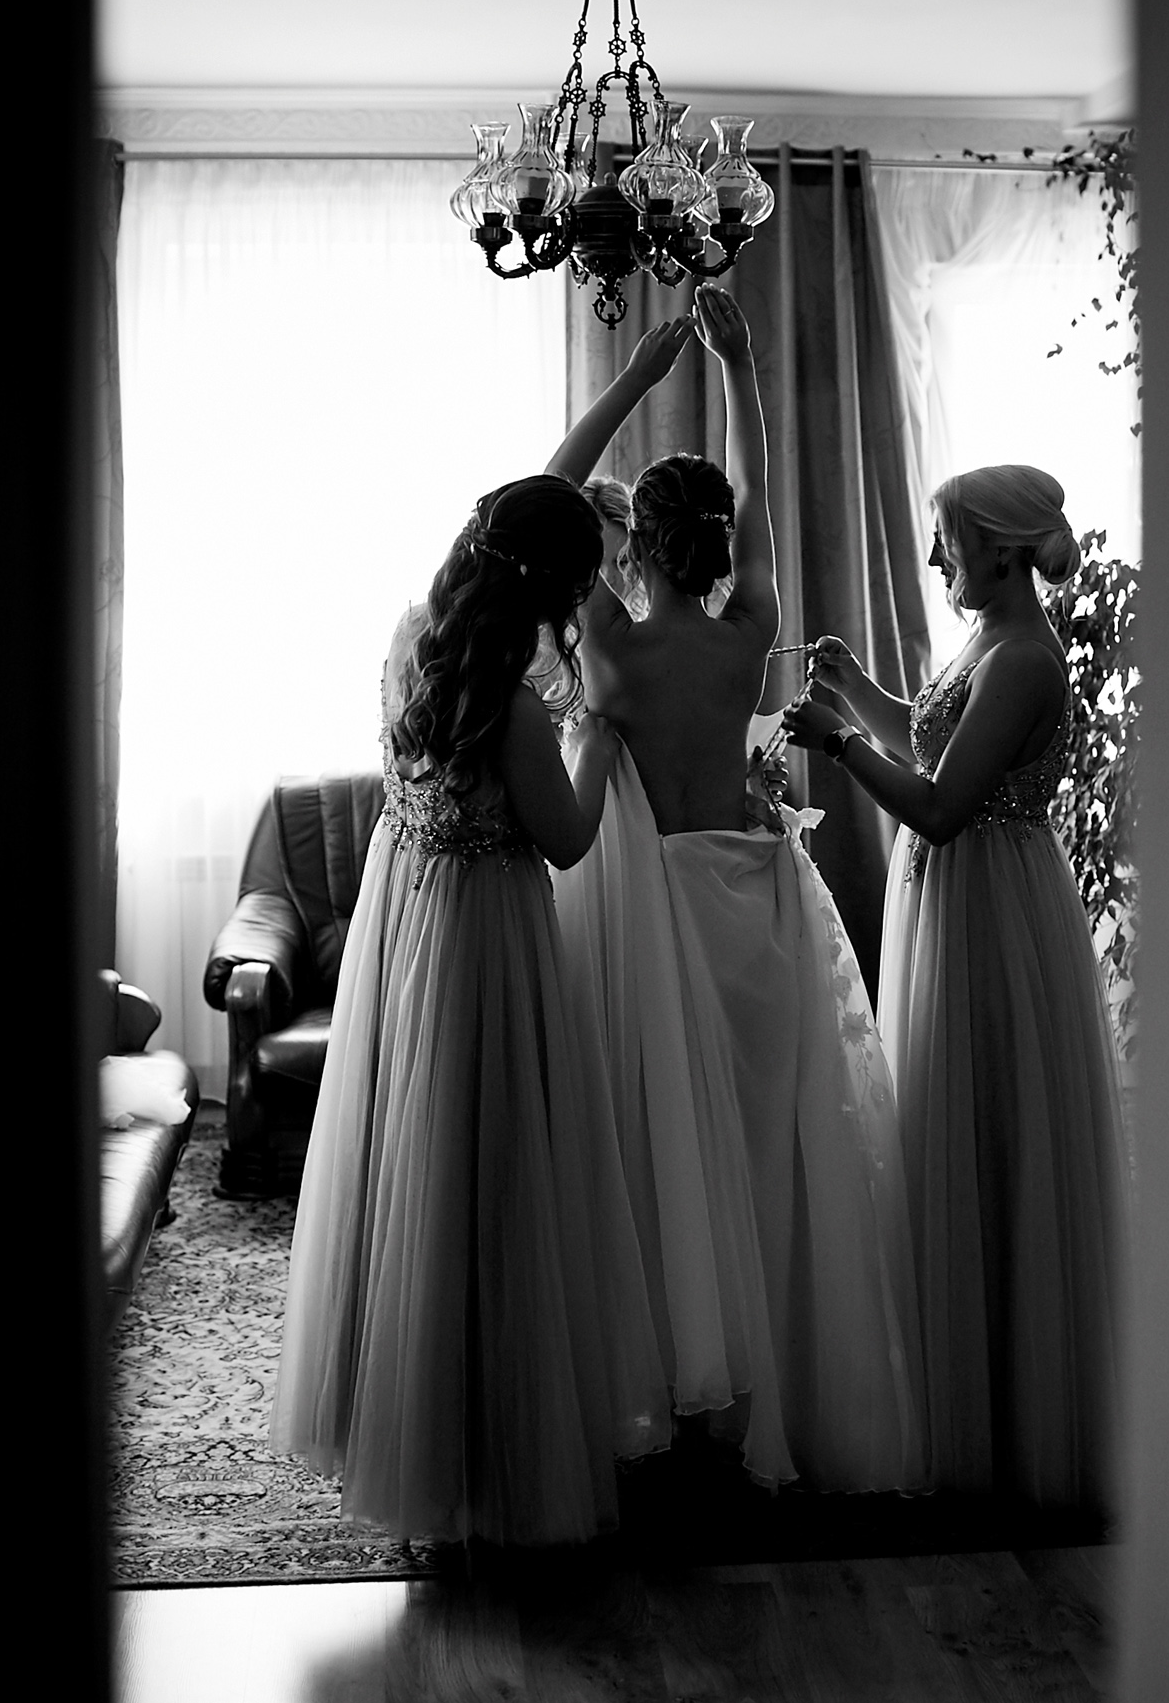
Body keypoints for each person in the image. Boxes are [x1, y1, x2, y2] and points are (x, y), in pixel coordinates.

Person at [549, 289, 928, 1494]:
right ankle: (767, 1387)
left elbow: (547, 497)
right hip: (758, 902)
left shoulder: (611, 646)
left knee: (662, 1154)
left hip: (658, 915)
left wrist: (633, 378)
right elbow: (762, 494)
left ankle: (678, 1388)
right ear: (714, 547)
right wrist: (741, 368)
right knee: (769, 1148)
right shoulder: (749, 625)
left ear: (633, 552)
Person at [271, 474, 671, 1545]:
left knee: (419, 1168)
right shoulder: (517, 709)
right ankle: (492, 1443)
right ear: (550, 587)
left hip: (408, 919)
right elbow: (567, 839)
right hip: (486, 939)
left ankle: (418, 1425)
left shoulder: (415, 645)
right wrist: (601, 744)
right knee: (492, 1177)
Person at [784, 464, 1125, 1513]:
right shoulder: (988, 641)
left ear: (1001, 549)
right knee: (949, 1134)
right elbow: (932, 739)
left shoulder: (1023, 659)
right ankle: (963, 1388)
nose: (935, 557)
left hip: (994, 917)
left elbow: (938, 807)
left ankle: (1012, 1419)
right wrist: (857, 692)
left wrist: (839, 742)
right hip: (960, 901)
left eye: (946, 539)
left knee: (991, 1136)